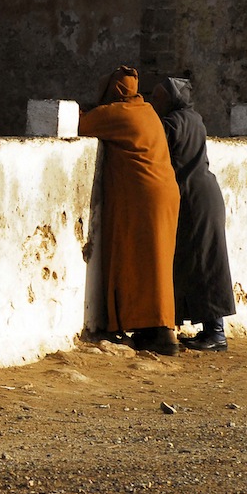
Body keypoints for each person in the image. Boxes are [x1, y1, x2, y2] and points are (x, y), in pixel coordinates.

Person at [78, 66, 181, 356]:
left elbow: (82, 124)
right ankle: (155, 328)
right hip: (164, 192)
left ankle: (160, 333)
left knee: (142, 263)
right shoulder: (146, 111)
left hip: (144, 196)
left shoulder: (119, 114)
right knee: (155, 262)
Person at [149, 76, 236, 351]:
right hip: (203, 194)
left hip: (194, 199)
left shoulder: (173, 123)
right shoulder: (193, 118)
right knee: (202, 261)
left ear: (172, 99)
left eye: (158, 97)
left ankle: (216, 334)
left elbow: (153, 147)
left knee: (205, 263)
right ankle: (210, 331)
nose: (153, 101)